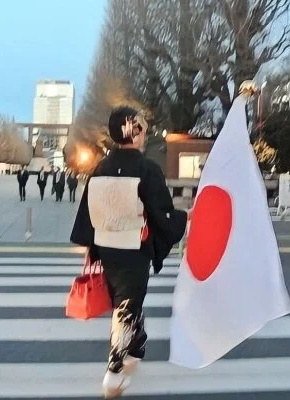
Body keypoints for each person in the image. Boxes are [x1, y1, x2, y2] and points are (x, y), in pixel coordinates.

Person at [70, 107, 188, 398]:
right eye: (142, 128)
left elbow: (89, 213)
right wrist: (184, 218)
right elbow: (162, 214)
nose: (145, 133)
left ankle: (136, 348)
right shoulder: (147, 169)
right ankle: (113, 374)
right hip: (134, 247)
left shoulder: (100, 168)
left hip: (107, 246)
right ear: (133, 133)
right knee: (126, 305)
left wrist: (92, 248)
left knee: (128, 300)